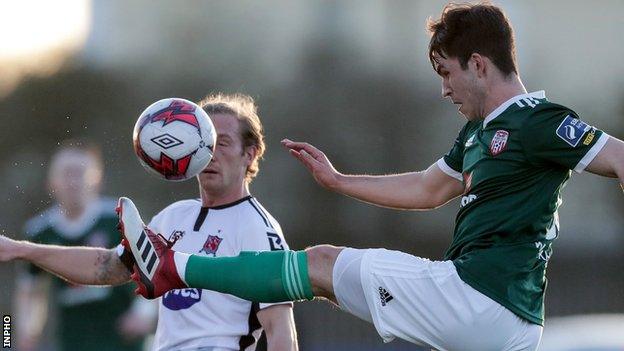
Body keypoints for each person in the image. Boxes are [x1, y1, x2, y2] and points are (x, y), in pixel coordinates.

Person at [119, 3, 624, 351]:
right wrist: (340, 182)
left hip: (476, 296)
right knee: (325, 277)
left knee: (319, 264)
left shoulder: (537, 119)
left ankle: (174, 267)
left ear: (478, 64)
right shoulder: (478, 132)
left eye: (447, 73)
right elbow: (428, 189)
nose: (444, 89)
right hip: (512, 323)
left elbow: (619, 157)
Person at [1, 94, 298, 351]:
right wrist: (21, 250)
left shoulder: (259, 229)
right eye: (204, 142)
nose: (210, 154)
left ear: (250, 153)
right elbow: (106, 267)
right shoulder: (171, 218)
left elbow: (281, 331)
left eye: (223, 143)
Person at [12, 141, 152, 351]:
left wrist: (143, 313)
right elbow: (31, 292)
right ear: (51, 181)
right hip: (73, 341)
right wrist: (25, 333)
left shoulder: (120, 219)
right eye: (66, 173)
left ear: (98, 178)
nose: (73, 181)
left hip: (126, 340)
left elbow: (155, 270)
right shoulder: (39, 232)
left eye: (80, 173)